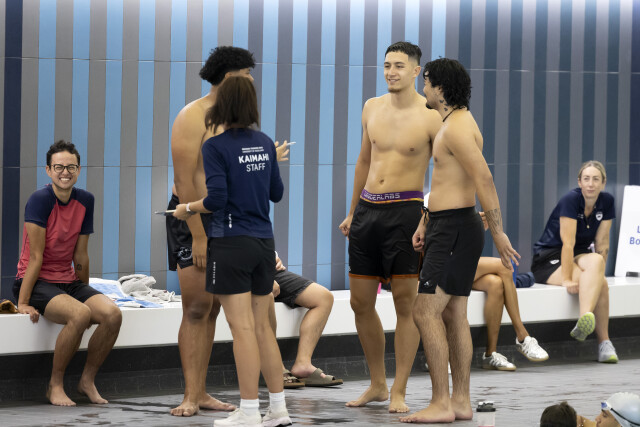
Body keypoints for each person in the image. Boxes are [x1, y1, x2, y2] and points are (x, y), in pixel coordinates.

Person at [168, 46, 284, 417]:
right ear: (231, 76)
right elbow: (184, 181)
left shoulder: (240, 123)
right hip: (196, 220)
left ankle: (210, 393)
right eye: (248, 74)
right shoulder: (192, 116)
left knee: (224, 310)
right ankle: (192, 394)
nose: (252, 80)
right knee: (198, 308)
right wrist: (199, 235)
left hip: (233, 225)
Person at [402, 58, 519, 423]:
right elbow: (448, 183)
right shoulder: (455, 122)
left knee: (424, 311)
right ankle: (460, 402)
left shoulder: (455, 128)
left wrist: (498, 232)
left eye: (426, 82)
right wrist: (426, 220)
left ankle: (441, 402)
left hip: (453, 229)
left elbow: (484, 179)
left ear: (440, 88)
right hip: (447, 225)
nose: (423, 88)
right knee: (454, 313)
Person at [338, 41, 442, 413]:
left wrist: (428, 217)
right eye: (386, 65)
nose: (391, 72)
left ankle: (399, 389)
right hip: (368, 211)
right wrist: (353, 211)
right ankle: (378, 384)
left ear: (416, 71)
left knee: (406, 305)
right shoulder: (371, 107)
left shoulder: (431, 116)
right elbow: (363, 161)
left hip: (406, 213)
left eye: (398, 65)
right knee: (359, 302)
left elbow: (445, 172)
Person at [13, 140, 122, 407]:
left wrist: (86, 293)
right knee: (80, 314)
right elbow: (35, 257)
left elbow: (81, 255)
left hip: (68, 281)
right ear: (48, 170)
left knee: (112, 314)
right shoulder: (39, 200)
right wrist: (23, 302)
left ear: (79, 169)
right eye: (59, 167)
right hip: (36, 281)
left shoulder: (85, 200)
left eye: (71, 167)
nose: (65, 172)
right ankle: (55, 385)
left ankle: (87, 381)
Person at [531, 160, 617, 363]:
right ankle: (603, 341)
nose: (591, 184)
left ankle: (587, 326)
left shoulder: (607, 201)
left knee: (597, 263)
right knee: (602, 286)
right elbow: (567, 244)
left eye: (596, 179)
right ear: (579, 182)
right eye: (586, 179)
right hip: (549, 256)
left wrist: (599, 273)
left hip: (580, 253)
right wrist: (567, 279)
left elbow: (602, 243)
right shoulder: (570, 200)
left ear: (603, 183)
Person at [269, 254, 343, 388]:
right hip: (244, 270)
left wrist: (272, 256)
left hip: (267, 268)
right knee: (264, 296)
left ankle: (303, 365)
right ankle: (275, 369)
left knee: (323, 298)